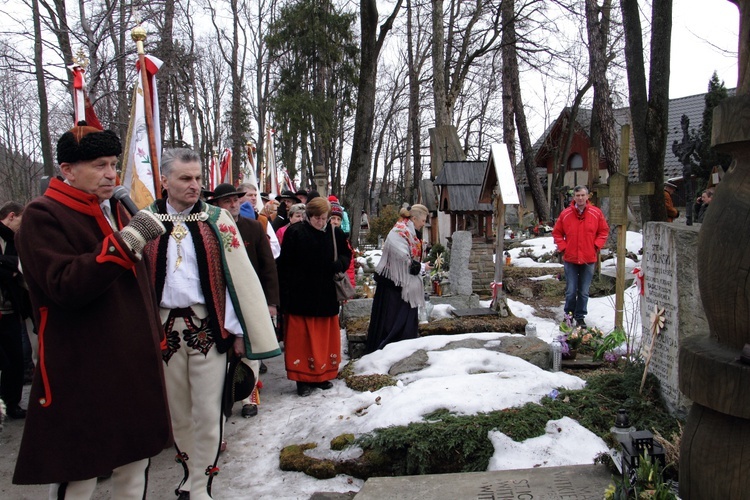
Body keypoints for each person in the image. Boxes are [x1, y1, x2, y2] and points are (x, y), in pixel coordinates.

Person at [12, 123, 172, 498]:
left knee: (135, 463)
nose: (111, 174)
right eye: (99, 165)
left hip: (131, 363)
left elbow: (138, 287)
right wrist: (128, 240)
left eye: (113, 164)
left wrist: (154, 335)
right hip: (82, 366)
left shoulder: (114, 207)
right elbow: (66, 285)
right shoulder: (42, 214)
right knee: (81, 468)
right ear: (67, 169)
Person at [142, 148, 280, 500]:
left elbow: (236, 281)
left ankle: (202, 485)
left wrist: (237, 331)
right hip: (162, 331)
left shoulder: (217, 219)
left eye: (198, 178)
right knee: (178, 412)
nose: (194, 186)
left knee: (208, 410)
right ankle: (188, 473)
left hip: (209, 327)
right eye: (185, 179)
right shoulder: (144, 220)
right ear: (165, 180)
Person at [206, 183, 280, 419]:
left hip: (250, 298)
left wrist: (271, 302)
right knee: (223, 355)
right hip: (219, 301)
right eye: (227, 201)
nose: (234, 204)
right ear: (216, 205)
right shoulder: (207, 229)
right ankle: (225, 401)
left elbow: (268, 267)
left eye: (236, 199)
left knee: (249, 351)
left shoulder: (253, 228)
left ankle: (250, 398)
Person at [277, 197, 351, 397]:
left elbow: (347, 254)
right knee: (301, 341)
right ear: (308, 216)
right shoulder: (295, 232)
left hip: (326, 295)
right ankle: (302, 380)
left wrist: (340, 265)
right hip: (300, 297)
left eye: (324, 218)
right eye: (317, 218)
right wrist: (283, 298)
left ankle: (322, 375)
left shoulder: (335, 233)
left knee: (323, 340)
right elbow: (284, 266)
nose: (321, 222)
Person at [365, 205, 431, 353]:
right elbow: (403, 260)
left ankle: (403, 350)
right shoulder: (399, 232)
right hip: (392, 286)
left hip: (403, 286)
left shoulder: (410, 232)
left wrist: (421, 265)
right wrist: (421, 267)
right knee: (391, 324)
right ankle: (388, 352)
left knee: (405, 323)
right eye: (423, 220)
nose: (423, 224)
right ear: (414, 218)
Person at [552, 185, 609, 328]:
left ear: (588, 196)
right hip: (571, 258)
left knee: (583, 291)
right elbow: (557, 233)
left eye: (583, 195)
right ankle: (568, 315)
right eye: (577, 195)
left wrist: (595, 246)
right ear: (574, 197)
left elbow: (603, 232)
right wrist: (564, 247)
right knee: (571, 290)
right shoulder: (565, 214)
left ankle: (580, 316)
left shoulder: (596, 213)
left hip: (588, 258)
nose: (580, 198)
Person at [0, 201, 30, 420]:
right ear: (11, 216)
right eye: (21, 220)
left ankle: (12, 403)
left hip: (12, 310)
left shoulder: (15, 240)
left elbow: (22, 264)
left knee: (16, 360)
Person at [329, 202, 356, 287]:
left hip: (340, 283)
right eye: (333, 218)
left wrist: (349, 286)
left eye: (339, 219)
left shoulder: (343, 239)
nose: (336, 222)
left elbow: (350, 267)